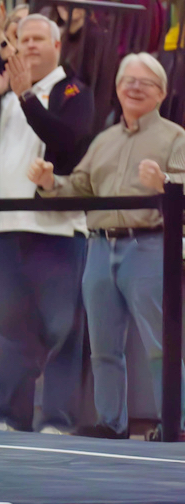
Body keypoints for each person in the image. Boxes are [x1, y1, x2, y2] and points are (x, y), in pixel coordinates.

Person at [29, 52, 185, 440]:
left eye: (144, 82)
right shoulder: (103, 140)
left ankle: (176, 425)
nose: (134, 87)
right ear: (116, 88)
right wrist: (50, 183)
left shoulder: (175, 137)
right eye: (127, 80)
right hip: (98, 248)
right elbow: (79, 188)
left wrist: (166, 181)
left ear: (162, 92)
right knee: (103, 347)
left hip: (148, 245)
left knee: (161, 344)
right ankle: (110, 424)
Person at [0, 14, 94, 433]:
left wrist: (24, 97)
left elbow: (66, 141)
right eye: (24, 38)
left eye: (40, 38)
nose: (31, 44)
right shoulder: (6, 93)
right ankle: (9, 419)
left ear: (58, 47)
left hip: (57, 229)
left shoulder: (73, 91)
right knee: (9, 330)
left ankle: (58, 421)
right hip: (5, 229)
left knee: (62, 332)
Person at [53, 0, 112, 132]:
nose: (68, 0)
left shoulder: (99, 38)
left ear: (87, 1)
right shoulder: (59, 38)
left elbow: (101, 91)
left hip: (87, 124)